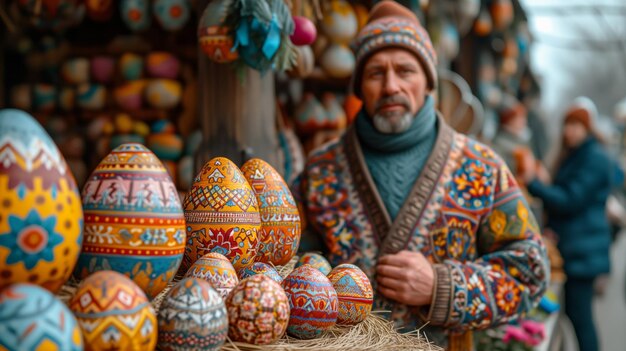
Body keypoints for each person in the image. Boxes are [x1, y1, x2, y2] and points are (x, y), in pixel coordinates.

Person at [292, 2, 550, 349]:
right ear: (359, 87)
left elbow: (529, 271)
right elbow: (290, 264)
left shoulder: (480, 167)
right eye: (375, 73)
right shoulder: (320, 172)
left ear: (428, 81)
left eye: (405, 70)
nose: (390, 86)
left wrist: (441, 287)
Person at [522, 97, 611, 351]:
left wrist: (534, 183)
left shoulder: (593, 158)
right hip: (576, 247)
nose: (568, 131)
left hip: (583, 251)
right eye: (567, 125)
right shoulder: (577, 155)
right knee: (575, 315)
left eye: (575, 125)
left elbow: (571, 199)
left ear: (587, 128)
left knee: (581, 318)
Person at [491, 95, 534, 173]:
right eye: (520, 118)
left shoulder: (522, 141)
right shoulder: (500, 140)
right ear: (510, 120)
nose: (523, 122)